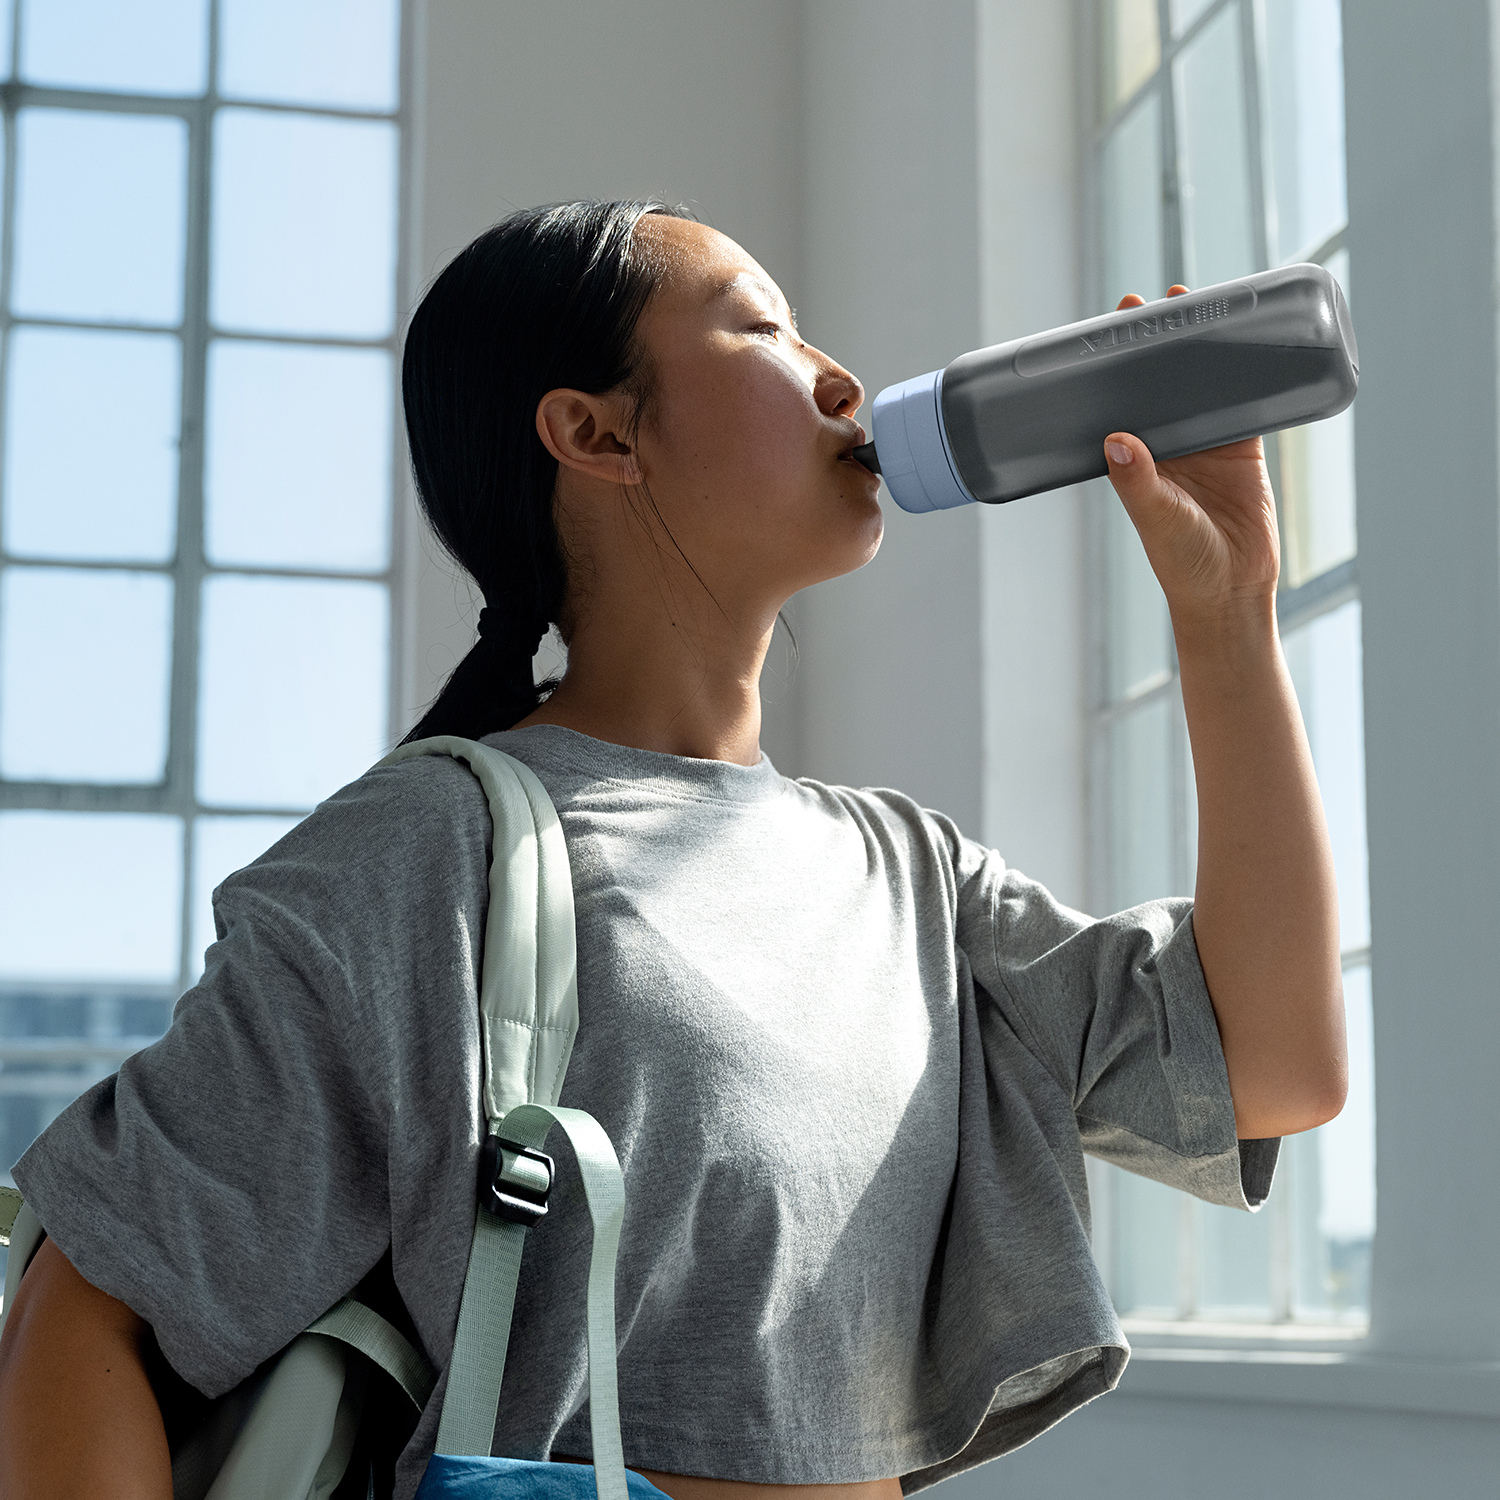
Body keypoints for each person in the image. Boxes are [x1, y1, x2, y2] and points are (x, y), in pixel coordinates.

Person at [0, 201, 1347, 1500]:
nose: (843, 384)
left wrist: (1225, 611)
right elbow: (86, 1310)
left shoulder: (908, 875)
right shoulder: (427, 850)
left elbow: (1274, 1068)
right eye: (764, 330)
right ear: (595, 434)